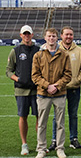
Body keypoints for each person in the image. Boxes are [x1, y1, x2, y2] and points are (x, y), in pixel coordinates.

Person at [32, 28, 72, 158]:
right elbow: (35, 75)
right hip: (43, 94)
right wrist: (47, 86)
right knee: (42, 123)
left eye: (54, 36)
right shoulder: (38, 55)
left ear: (57, 38)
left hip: (59, 94)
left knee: (60, 123)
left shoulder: (64, 55)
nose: (51, 38)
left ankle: (60, 148)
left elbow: (68, 74)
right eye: (49, 36)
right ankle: (41, 149)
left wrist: (57, 86)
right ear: (45, 38)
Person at [48, 26, 81, 151]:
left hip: (74, 88)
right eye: (66, 34)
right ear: (62, 36)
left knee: (73, 114)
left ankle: (73, 138)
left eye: (70, 34)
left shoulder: (79, 51)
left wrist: (76, 81)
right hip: (59, 88)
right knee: (57, 115)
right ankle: (55, 140)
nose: (68, 37)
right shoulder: (55, 49)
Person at [6, 25, 40, 156]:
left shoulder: (39, 50)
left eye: (29, 34)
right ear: (20, 35)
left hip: (37, 90)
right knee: (23, 117)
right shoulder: (15, 51)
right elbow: (8, 71)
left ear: (32, 35)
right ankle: (24, 144)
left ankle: (40, 144)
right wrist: (18, 79)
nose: (27, 36)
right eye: (24, 34)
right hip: (21, 91)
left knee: (39, 118)